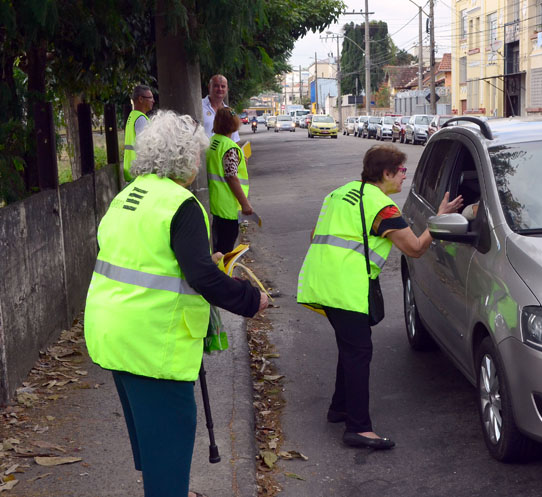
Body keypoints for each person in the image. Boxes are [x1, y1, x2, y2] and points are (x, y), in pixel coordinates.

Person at [84, 110, 268, 497]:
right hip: (152, 343)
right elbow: (202, 280)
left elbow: (147, 257)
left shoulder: (127, 196)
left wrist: (202, 260)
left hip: (111, 333)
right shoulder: (180, 204)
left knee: (152, 441)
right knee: (172, 437)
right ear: (183, 159)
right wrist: (252, 299)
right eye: (197, 157)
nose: (199, 165)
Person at [297, 145, 463, 450]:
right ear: (385, 173)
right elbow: (415, 248)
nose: (404, 176)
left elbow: (314, 235)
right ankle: (358, 428)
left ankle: (339, 408)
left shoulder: (338, 193)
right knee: (359, 352)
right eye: (401, 171)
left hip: (321, 281)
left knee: (350, 347)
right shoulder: (382, 207)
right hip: (347, 288)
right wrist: (438, 220)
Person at [207, 107, 253, 254]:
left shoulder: (212, 142)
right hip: (227, 207)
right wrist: (245, 204)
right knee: (225, 253)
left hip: (215, 202)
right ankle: (224, 276)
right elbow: (231, 176)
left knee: (217, 249)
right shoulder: (229, 147)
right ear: (234, 124)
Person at [123, 85, 154, 182]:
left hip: (131, 169)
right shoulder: (141, 119)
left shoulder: (132, 116)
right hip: (140, 172)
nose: (153, 101)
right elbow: (146, 147)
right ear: (141, 99)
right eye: (150, 98)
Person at [202, 74, 240, 142]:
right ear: (209, 87)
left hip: (224, 152)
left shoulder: (231, 112)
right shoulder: (198, 107)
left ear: (227, 89)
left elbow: (235, 139)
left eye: (223, 86)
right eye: (216, 86)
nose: (220, 89)